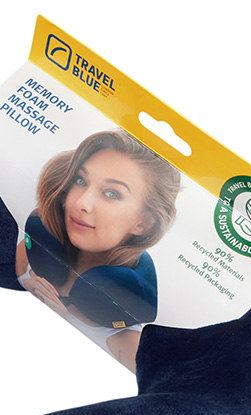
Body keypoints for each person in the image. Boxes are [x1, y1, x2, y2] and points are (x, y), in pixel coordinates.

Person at [16, 130, 181, 372]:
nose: (82, 203)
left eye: (112, 193)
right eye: (81, 181)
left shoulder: (127, 343)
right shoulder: (36, 248)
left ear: (143, 222)